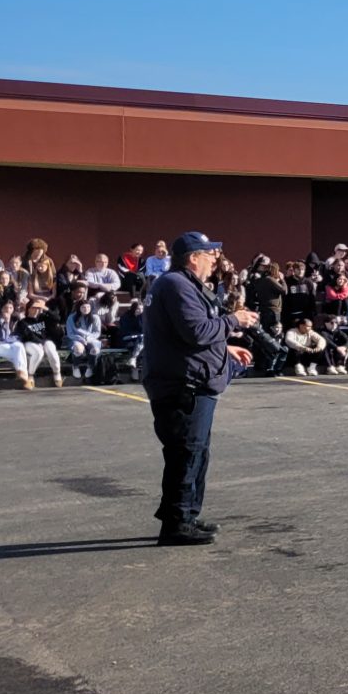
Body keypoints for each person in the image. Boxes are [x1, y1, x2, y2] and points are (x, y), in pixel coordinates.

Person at [143, 231, 258, 546]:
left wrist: (225, 349)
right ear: (193, 257)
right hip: (184, 386)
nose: (215, 258)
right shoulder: (177, 285)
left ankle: (185, 516)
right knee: (187, 453)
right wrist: (233, 320)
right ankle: (177, 523)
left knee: (194, 452)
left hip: (192, 382)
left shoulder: (181, 285)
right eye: (210, 253)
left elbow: (191, 334)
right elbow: (195, 331)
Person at [66, 298, 106, 381]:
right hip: (76, 338)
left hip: (91, 338)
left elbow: (97, 332)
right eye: (83, 307)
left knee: (95, 350)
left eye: (88, 307)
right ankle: (75, 366)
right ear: (79, 308)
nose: (86, 309)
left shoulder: (95, 317)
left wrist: (88, 338)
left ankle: (90, 367)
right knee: (78, 349)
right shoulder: (71, 317)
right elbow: (70, 333)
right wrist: (80, 339)